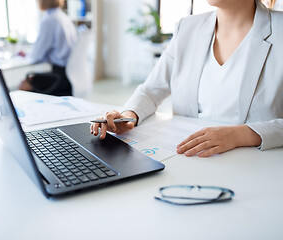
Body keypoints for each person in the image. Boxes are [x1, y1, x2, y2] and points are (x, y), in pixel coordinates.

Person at [91, 0, 283, 157]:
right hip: (188, 159)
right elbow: (151, 90)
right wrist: (129, 115)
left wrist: (239, 135)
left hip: (256, 164)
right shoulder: (188, 27)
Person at [19, 0, 77, 96]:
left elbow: (37, 55)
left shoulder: (49, 20)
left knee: (23, 85)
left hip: (60, 78)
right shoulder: (64, 17)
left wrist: (29, 55)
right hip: (71, 76)